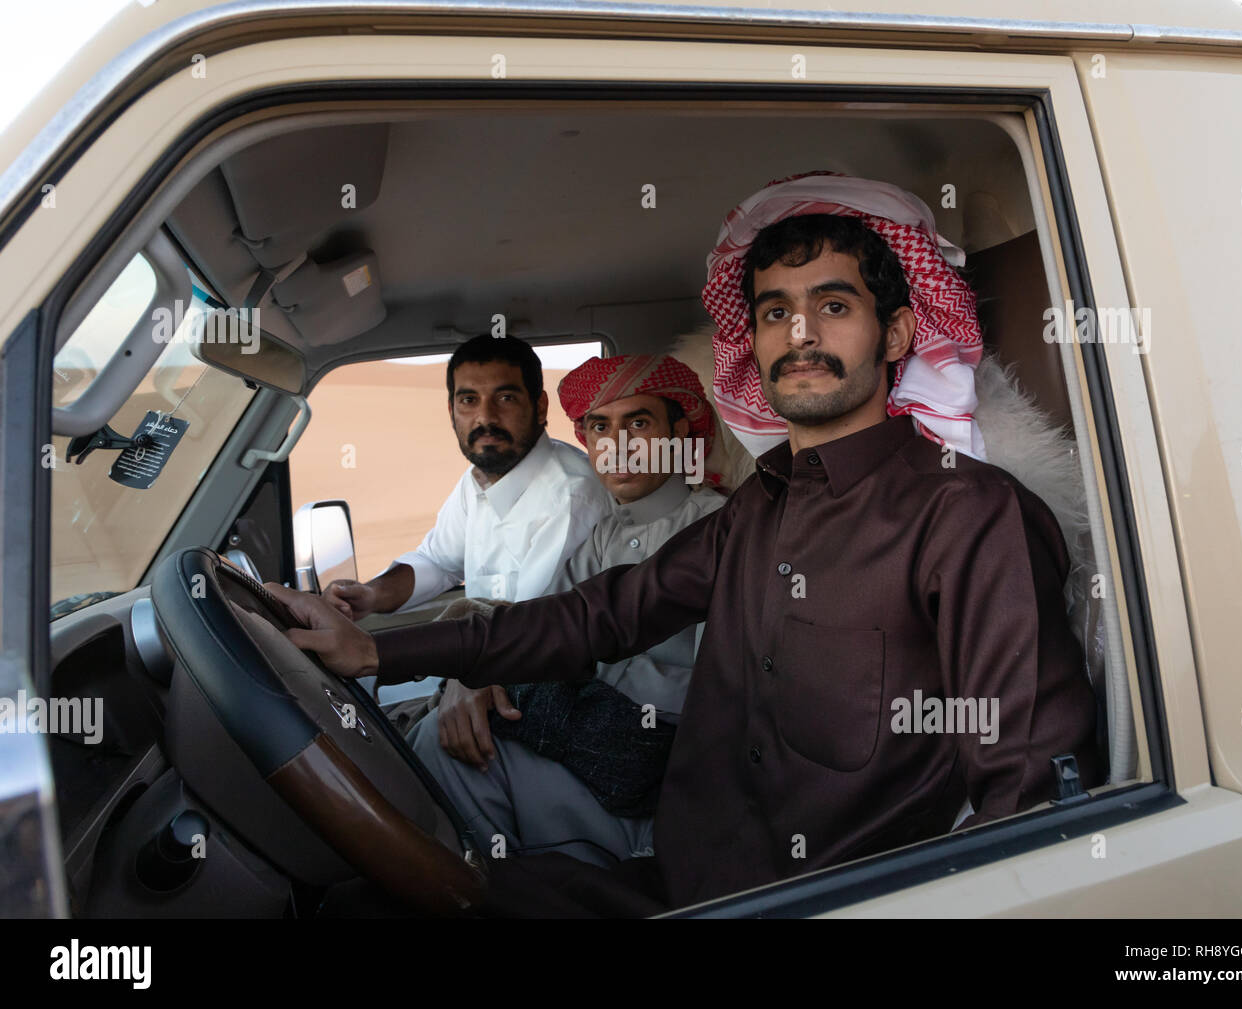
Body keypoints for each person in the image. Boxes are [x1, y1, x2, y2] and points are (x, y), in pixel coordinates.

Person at [267, 172, 1102, 913]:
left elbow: (1027, 810)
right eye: (777, 310)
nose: (801, 333)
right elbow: (594, 617)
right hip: (678, 878)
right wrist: (376, 651)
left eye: (834, 305)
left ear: (893, 335)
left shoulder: (968, 516)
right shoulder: (755, 510)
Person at [403, 354, 727, 867]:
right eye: (600, 427)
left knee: (449, 748)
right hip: (594, 726)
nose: (616, 446)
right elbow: (545, 626)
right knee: (438, 727)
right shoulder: (605, 535)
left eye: (637, 423)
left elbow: (721, 694)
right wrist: (477, 667)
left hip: (661, 760)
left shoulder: (719, 529)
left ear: (679, 431)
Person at [322, 334, 610, 622]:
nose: (485, 417)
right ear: (452, 411)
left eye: (505, 398)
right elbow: (437, 562)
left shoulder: (572, 497)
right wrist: (370, 595)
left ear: (540, 407)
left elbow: (526, 629)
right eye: (469, 400)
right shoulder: (478, 480)